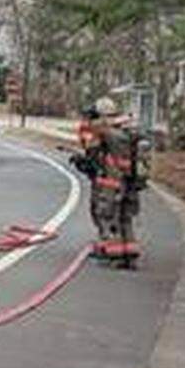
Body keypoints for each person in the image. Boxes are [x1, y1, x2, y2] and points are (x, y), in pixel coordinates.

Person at [70, 97, 149, 269]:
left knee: (108, 217)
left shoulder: (103, 129)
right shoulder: (128, 127)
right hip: (131, 180)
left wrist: (82, 160)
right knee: (125, 217)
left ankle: (115, 255)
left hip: (111, 180)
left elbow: (93, 152)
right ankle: (131, 253)